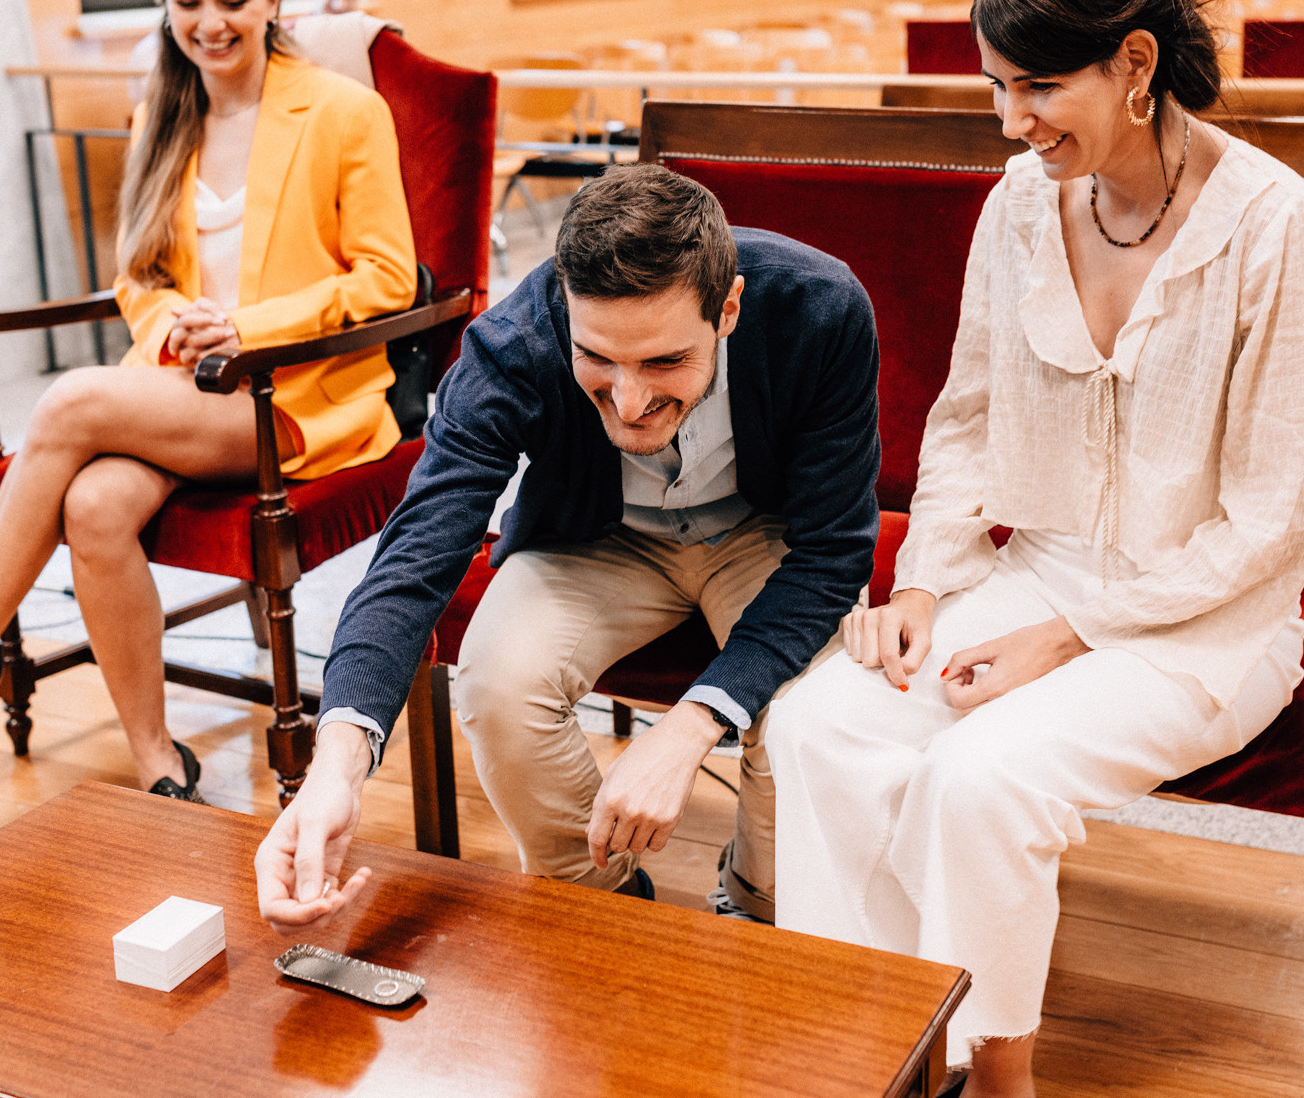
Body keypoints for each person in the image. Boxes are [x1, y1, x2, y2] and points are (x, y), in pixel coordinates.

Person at [766, 0, 1304, 1098]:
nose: (1011, 123)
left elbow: (1272, 519)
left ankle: (995, 1076)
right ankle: (873, 1043)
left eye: (1036, 88)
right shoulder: (1019, 204)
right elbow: (966, 419)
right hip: (1031, 579)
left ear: (1135, 64)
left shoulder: (1272, 220)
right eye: (994, 89)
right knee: (817, 725)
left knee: (982, 778)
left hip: (1203, 624)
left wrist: (1067, 637)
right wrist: (920, 583)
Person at [0, 0, 417, 802]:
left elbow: (387, 278)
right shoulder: (162, 114)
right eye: (188, 2)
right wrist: (172, 324)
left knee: (68, 402)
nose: (211, 23)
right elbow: (137, 279)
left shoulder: (345, 111)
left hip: (295, 395)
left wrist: (246, 328)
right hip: (181, 386)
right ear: (165, 5)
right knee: (98, 506)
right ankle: (158, 759)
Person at [253, 164, 881, 928]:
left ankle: (759, 903)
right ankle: (602, 905)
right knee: (496, 680)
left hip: (767, 533)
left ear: (729, 310)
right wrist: (336, 767)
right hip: (601, 537)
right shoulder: (513, 343)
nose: (629, 399)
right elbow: (416, 551)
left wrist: (695, 720)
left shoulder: (821, 306)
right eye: (599, 359)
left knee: (809, 714)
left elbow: (834, 551)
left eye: (663, 361)